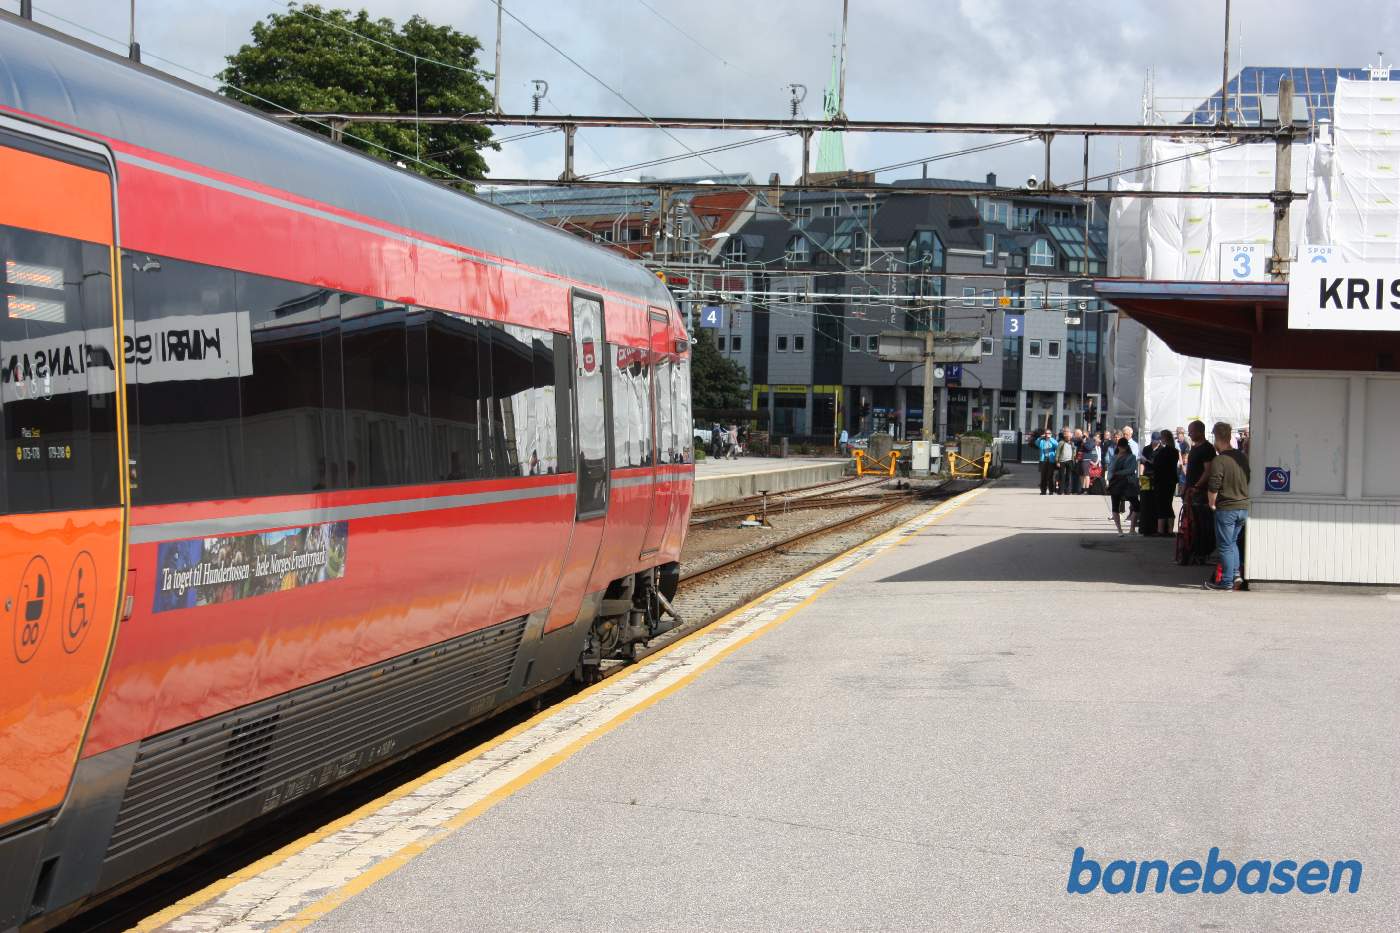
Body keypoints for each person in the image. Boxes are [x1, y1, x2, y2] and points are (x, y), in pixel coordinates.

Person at [1203, 421, 1250, 591]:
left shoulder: (1220, 460)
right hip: (1243, 506)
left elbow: (1214, 484)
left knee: (1224, 545)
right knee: (1232, 543)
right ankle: (1236, 575)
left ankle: (1227, 582)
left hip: (1227, 508)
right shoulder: (1241, 457)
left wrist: (1212, 503)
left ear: (1216, 438)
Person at [1181, 419, 1217, 562]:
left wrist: (1197, 486)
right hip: (1190, 490)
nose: (1189, 434)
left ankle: (1202, 552)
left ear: (1200, 432)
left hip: (1200, 493)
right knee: (1190, 523)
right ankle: (1193, 550)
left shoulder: (1207, 449)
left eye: (1192, 431)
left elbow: (1208, 471)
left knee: (1201, 523)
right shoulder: (1195, 448)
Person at [1107, 437, 1140, 535]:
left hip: (1128, 483)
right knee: (1115, 506)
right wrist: (1117, 459)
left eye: (1124, 447)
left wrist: (1118, 472)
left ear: (1126, 447)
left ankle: (1132, 529)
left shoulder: (1132, 457)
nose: (1122, 449)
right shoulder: (1114, 457)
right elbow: (1111, 471)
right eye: (1120, 447)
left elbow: (1131, 469)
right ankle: (1119, 530)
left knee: (1137, 506)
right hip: (1116, 484)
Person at [1150, 428, 1180, 536]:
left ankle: (1161, 530)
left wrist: (1150, 463)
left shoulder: (1163, 451)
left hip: (1162, 480)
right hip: (1171, 480)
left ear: (1164, 438)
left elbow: (1157, 466)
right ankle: (1170, 530)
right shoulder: (1175, 451)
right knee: (1168, 504)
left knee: (1162, 505)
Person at [1035, 428, 1057, 495]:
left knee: (1050, 476)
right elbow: (1036, 443)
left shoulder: (1053, 440)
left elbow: (1057, 445)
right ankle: (1043, 491)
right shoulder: (1042, 441)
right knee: (1043, 476)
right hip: (1043, 460)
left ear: (1051, 434)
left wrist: (1050, 439)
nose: (1047, 435)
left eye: (1049, 433)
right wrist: (1040, 438)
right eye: (1046, 433)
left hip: (1051, 460)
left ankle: (1051, 491)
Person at [1056, 428, 1077, 495]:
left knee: (1069, 476)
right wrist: (1057, 461)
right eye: (1067, 437)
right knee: (1061, 476)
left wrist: (1074, 457)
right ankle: (1060, 491)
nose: (1068, 438)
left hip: (1070, 461)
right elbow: (1058, 452)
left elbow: (1074, 451)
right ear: (1065, 437)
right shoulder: (1061, 443)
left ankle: (1067, 491)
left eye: (1069, 437)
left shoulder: (1072, 443)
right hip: (1062, 461)